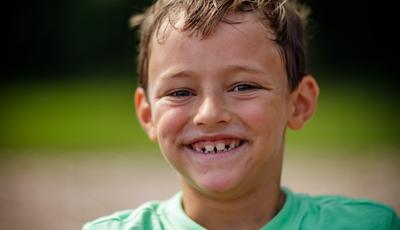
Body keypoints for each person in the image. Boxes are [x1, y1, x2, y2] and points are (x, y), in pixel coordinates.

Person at [83, 0, 399, 229]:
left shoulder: (369, 225)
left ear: (299, 104)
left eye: (243, 86)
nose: (209, 114)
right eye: (181, 92)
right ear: (148, 115)